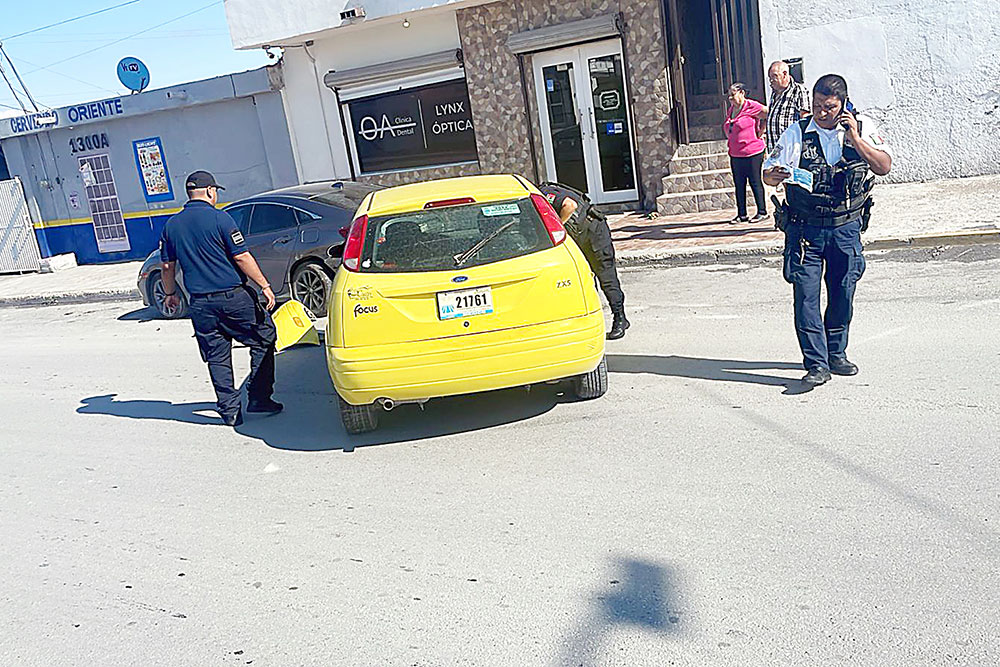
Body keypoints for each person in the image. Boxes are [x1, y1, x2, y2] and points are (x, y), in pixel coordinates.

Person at [763, 74, 892, 386]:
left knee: (843, 293)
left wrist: (856, 140)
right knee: (806, 298)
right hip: (806, 231)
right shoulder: (797, 133)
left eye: (829, 107)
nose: (821, 113)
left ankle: (836, 353)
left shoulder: (862, 127)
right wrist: (776, 174)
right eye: (817, 105)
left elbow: (884, 165)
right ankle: (816, 364)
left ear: (843, 105)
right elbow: (767, 175)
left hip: (846, 229)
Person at [160, 170, 283, 426]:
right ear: (209, 191)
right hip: (233, 298)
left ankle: (230, 412)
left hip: (200, 304)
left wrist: (170, 294)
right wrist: (264, 285)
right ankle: (259, 399)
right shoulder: (221, 219)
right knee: (263, 337)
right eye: (215, 191)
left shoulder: (172, 225)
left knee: (217, 355)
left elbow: (167, 267)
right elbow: (241, 257)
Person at [537, 182, 629, 339]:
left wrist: (557, 228)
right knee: (585, 279)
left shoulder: (544, 193)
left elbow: (569, 205)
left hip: (594, 231)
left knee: (606, 277)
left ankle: (620, 318)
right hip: (579, 236)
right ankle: (591, 323)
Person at [723, 83, 769, 224]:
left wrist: (761, 130)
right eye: (729, 96)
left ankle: (762, 212)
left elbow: (768, 113)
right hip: (736, 153)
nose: (730, 98)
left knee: (755, 181)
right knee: (739, 184)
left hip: (753, 152)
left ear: (742, 93)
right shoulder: (731, 110)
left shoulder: (751, 106)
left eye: (733, 94)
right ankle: (741, 214)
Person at [765, 60, 811, 154]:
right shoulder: (774, 93)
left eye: (774, 76)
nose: (771, 80)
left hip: (790, 149)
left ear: (785, 74)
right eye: (770, 77)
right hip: (774, 149)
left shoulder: (798, 90)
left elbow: (805, 118)